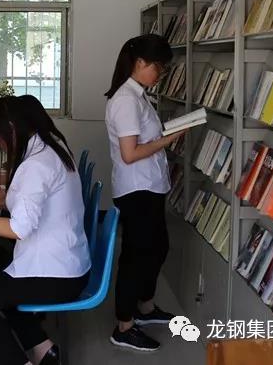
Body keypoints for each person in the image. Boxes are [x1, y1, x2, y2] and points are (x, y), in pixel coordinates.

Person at [0, 97, 90, 365]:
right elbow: (38, 202)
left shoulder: (36, 164)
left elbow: (18, 228)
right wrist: (1, 202)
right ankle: (43, 350)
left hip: (55, 275)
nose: (0, 145)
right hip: (69, 265)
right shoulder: (52, 148)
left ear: (12, 129)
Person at [104, 34, 186, 352]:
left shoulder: (138, 96)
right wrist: (169, 139)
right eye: (158, 67)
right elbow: (130, 154)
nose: (160, 74)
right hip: (137, 189)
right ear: (140, 63)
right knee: (136, 258)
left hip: (149, 186)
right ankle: (124, 325)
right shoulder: (126, 100)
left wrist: (165, 134)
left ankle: (145, 308)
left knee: (157, 248)